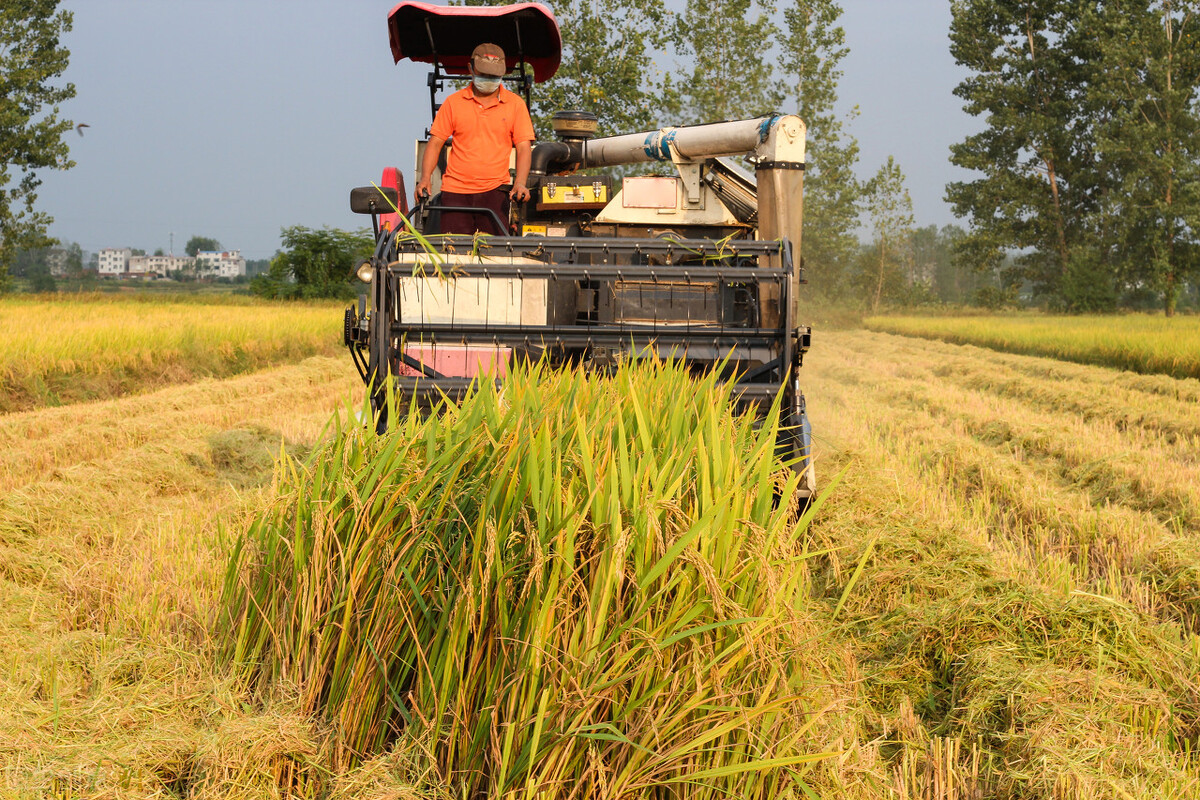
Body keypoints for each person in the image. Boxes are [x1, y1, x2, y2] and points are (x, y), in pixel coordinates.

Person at [413, 43, 535, 235]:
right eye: (484, 74)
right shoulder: (453, 103)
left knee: (493, 255)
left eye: (494, 76)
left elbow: (523, 147)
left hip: (495, 192)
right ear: (471, 69)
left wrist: (520, 182)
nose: (489, 80)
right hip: (455, 192)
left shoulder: (515, 105)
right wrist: (425, 179)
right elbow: (435, 143)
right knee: (453, 253)